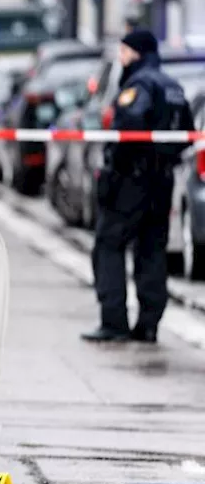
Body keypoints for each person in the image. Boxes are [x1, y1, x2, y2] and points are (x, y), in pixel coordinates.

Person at [83, 29, 189, 344]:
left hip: (132, 180)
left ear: (138, 53)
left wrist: (118, 165)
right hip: (162, 181)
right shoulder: (173, 87)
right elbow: (185, 133)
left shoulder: (138, 85)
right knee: (152, 249)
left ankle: (114, 323)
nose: (121, 57)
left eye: (125, 51)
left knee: (109, 244)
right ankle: (149, 324)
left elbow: (129, 125)